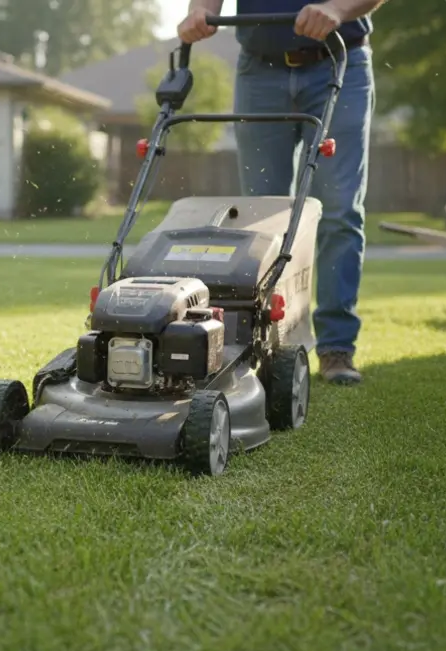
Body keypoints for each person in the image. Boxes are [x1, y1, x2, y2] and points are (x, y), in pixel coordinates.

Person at [179, 0, 387, 385]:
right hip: (259, 70)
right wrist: (199, 10)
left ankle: (336, 348)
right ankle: (263, 344)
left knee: (340, 209)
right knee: (261, 219)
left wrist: (338, 10)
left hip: (339, 61)